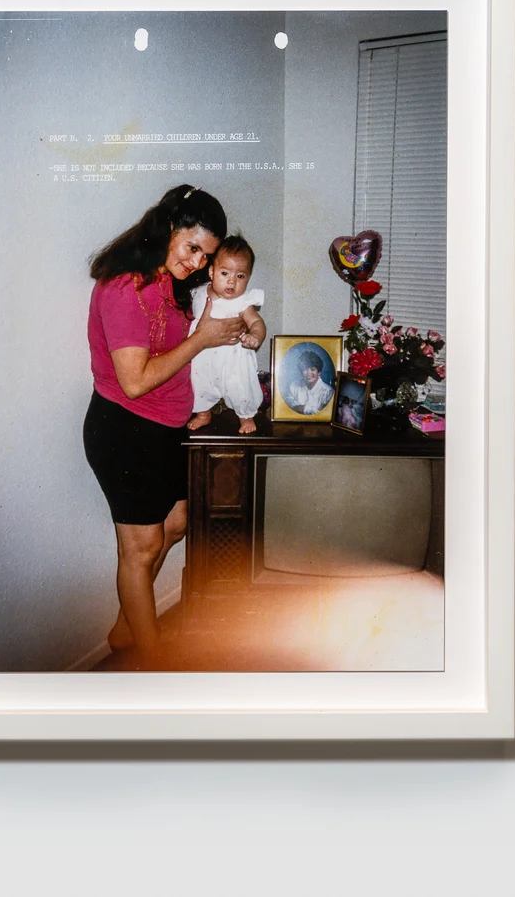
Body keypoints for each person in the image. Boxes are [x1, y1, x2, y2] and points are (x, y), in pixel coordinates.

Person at [83, 184, 246, 667]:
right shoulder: (123, 287)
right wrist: (201, 341)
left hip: (168, 426)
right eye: (192, 247)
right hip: (125, 428)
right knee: (142, 546)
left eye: (207, 255)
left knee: (175, 524)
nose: (198, 263)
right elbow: (134, 382)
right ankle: (152, 662)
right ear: (168, 228)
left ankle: (123, 628)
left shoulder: (171, 281)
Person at [186, 235, 267, 435]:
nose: (232, 281)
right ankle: (203, 413)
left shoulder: (242, 302)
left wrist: (256, 336)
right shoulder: (198, 294)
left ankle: (245, 416)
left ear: (248, 278)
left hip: (234, 359)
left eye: (240, 276)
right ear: (212, 272)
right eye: (225, 273)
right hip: (203, 356)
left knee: (240, 386)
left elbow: (256, 322)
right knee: (198, 383)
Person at [285, 349, 335, 415]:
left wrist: (304, 408)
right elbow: (289, 408)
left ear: (319, 372)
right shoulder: (293, 387)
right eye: (305, 369)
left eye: (313, 369)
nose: (309, 373)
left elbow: (326, 415)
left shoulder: (329, 392)